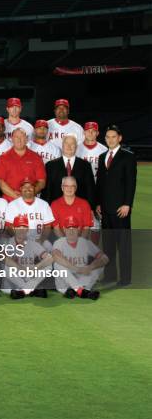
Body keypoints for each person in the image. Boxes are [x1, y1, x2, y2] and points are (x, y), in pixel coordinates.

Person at [96, 125, 137, 285]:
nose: (110, 139)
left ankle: (125, 278)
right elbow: (100, 182)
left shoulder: (128, 156)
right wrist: (98, 203)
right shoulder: (102, 157)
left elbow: (131, 182)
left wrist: (127, 204)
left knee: (124, 246)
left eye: (113, 137)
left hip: (121, 209)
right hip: (105, 209)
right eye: (108, 137)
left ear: (119, 138)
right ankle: (110, 276)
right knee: (108, 245)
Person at [52, 216, 108, 299]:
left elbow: (105, 258)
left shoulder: (85, 242)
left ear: (78, 228)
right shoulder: (59, 242)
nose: (71, 230)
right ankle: (82, 291)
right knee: (57, 264)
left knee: (100, 265)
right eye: (68, 228)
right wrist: (76, 268)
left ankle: (77, 290)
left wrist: (90, 267)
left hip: (82, 278)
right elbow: (56, 256)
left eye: (74, 228)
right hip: (65, 281)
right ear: (64, 229)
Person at [0, 215, 54, 299]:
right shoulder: (7, 243)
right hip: (13, 281)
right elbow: (3, 258)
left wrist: (35, 268)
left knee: (49, 266)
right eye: (18, 227)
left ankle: (24, 291)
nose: (21, 230)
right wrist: (21, 268)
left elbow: (50, 258)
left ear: (28, 229)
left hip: (28, 275)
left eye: (24, 227)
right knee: (4, 266)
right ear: (14, 228)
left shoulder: (32, 243)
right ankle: (29, 289)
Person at [42, 134, 96, 209]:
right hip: (57, 209)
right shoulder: (50, 165)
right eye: (66, 143)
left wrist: (90, 209)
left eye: (72, 144)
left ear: (76, 147)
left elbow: (90, 190)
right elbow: (47, 191)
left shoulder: (85, 165)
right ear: (62, 146)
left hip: (79, 209)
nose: (69, 146)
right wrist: (46, 209)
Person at [0, 128, 46, 202]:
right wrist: (16, 196)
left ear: (26, 139)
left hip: (31, 201)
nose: (19, 140)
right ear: (12, 139)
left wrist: (28, 195)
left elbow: (42, 182)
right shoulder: (4, 158)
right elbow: (0, 182)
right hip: (9, 201)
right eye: (16, 137)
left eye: (22, 137)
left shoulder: (36, 157)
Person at [4, 177, 54, 243]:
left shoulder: (44, 204)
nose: (28, 189)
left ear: (34, 188)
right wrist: (18, 240)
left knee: (49, 247)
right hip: (19, 241)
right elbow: (8, 227)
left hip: (39, 240)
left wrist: (42, 240)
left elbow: (48, 226)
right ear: (20, 189)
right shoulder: (12, 205)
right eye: (24, 187)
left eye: (30, 186)